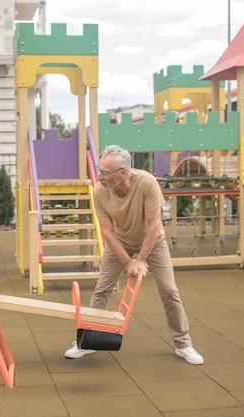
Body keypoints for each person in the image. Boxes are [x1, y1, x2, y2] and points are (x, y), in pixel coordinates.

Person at [64, 145, 204, 365]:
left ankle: (183, 345)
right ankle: (86, 342)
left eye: (105, 173)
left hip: (153, 242)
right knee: (102, 289)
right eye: (99, 170)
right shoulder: (99, 191)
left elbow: (154, 225)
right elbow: (107, 232)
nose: (100, 176)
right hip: (120, 241)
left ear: (124, 173)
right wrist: (128, 261)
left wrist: (141, 260)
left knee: (169, 290)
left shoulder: (147, 183)